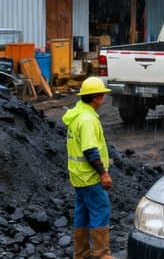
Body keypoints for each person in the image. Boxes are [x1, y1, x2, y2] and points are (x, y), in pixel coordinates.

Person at [63, 77, 117, 259]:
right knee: (101, 210)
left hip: (78, 175)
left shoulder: (77, 114)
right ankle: (102, 254)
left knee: (83, 213)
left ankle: (81, 254)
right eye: (102, 94)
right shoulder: (87, 120)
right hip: (90, 176)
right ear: (96, 97)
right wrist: (103, 174)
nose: (103, 98)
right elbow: (89, 150)